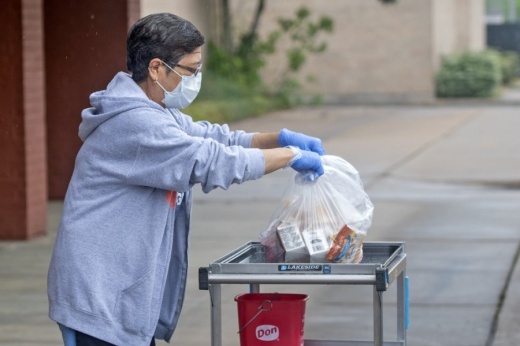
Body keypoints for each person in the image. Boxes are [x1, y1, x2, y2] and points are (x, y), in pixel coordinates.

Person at [47, 12, 325, 346]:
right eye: (190, 71)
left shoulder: (156, 111)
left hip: (118, 292)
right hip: (99, 296)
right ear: (155, 68)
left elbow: (215, 139)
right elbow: (210, 161)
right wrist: (291, 157)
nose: (195, 79)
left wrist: (278, 139)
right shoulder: (136, 124)